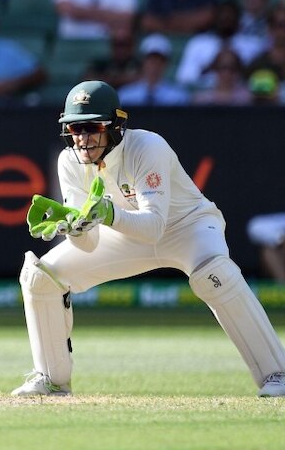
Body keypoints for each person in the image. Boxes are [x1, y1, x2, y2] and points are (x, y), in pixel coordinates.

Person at [16, 80, 285, 397]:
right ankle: (52, 379)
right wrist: (73, 228)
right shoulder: (69, 162)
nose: (83, 139)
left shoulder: (147, 147)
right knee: (41, 277)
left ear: (116, 125)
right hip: (123, 233)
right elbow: (87, 245)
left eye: (92, 127)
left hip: (189, 227)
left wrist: (107, 214)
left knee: (215, 274)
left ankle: (276, 374)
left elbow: (155, 226)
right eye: (75, 129)